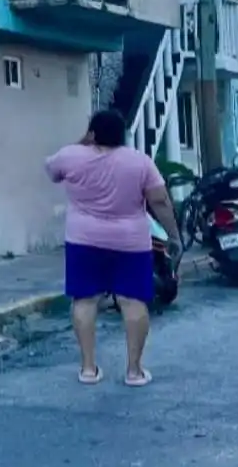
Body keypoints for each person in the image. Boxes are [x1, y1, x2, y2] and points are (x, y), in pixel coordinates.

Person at [45, 109, 182, 387]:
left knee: (84, 300)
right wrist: (173, 236)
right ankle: (134, 371)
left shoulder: (71, 155)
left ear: (92, 133)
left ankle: (88, 369)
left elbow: (51, 171)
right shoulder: (140, 162)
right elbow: (160, 201)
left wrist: (82, 142)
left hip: (84, 240)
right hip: (130, 243)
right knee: (132, 302)